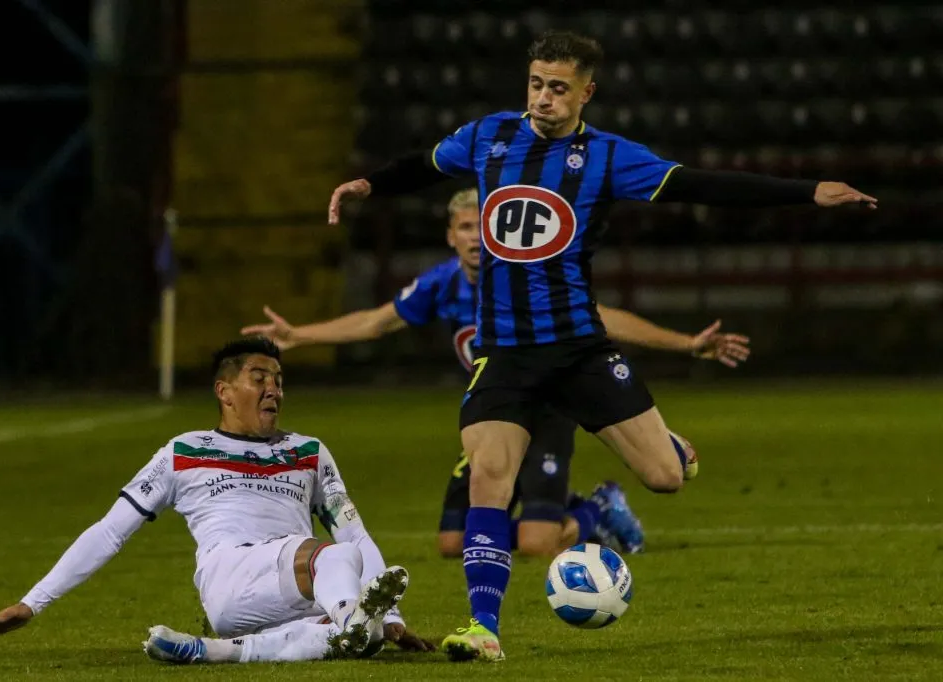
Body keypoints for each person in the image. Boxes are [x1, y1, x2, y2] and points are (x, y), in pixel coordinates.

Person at [326, 31, 876, 662]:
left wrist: (807, 192)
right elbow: (423, 166)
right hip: (506, 355)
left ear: (587, 92)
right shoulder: (489, 136)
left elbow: (703, 184)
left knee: (665, 479)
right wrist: (366, 185)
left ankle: (657, 451)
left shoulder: (610, 157)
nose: (543, 98)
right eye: (535, 83)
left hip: (581, 350)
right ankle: (483, 628)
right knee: (488, 475)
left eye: (558, 88)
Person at [243, 187, 750, 559]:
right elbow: (376, 321)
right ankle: (568, 503)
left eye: (478, 227)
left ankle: (600, 508)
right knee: (450, 543)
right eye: (463, 227)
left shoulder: (524, 279)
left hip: (550, 407)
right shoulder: (439, 284)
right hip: (499, 410)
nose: (472, 238)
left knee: (535, 545)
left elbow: (604, 317)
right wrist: (299, 336)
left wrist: (685, 343)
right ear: (450, 235)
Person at [0, 338, 434, 663]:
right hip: (232, 577)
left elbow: (353, 529)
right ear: (224, 392)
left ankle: (216, 651)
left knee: (353, 598)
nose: (274, 389)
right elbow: (110, 530)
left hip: (300, 585)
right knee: (334, 559)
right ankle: (353, 619)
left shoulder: (308, 452)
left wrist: (392, 619)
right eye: (259, 378)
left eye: (279, 379)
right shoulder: (183, 452)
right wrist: (32, 603)